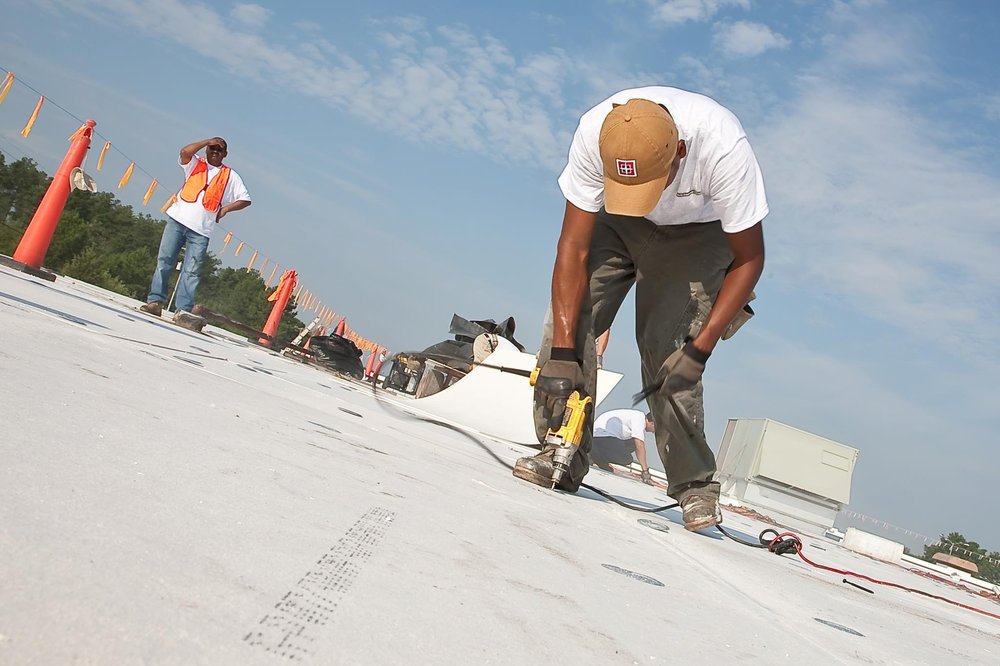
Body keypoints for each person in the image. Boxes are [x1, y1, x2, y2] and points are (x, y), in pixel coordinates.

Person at [512, 87, 767, 532]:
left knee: (669, 354)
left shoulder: (723, 149)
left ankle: (694, 486)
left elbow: (750, 259)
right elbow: (571, 247)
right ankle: (561, 450)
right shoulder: (598, 133)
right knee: (565, 330)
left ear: (681, 151)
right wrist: (566, 353)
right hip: (619, 220)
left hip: (698, 232)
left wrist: (700, 350)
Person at [140, 137, 251, 330]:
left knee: (191, 271)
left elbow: (245, 199)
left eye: (219, 149)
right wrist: (207, 140)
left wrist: (225, 210)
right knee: (164, 261)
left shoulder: (230, 176)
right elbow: (184, 152)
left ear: (225, 154)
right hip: (177, 219)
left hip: (201, 230)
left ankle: (182, 310)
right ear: (207, 150)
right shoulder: (195, 163)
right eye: (212, 148)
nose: (215, 151)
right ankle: (155, 302)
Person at [591, 409, 656, 485]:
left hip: (600, 437)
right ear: (653, 423)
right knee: (626, 459)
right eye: (655, 429)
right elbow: (640, 446)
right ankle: (594, 455)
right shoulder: (639, 419)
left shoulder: (637, 416)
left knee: (633, 443)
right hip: (602, 437)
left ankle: (598, 458)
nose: (653, 432)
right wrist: (645, 472)